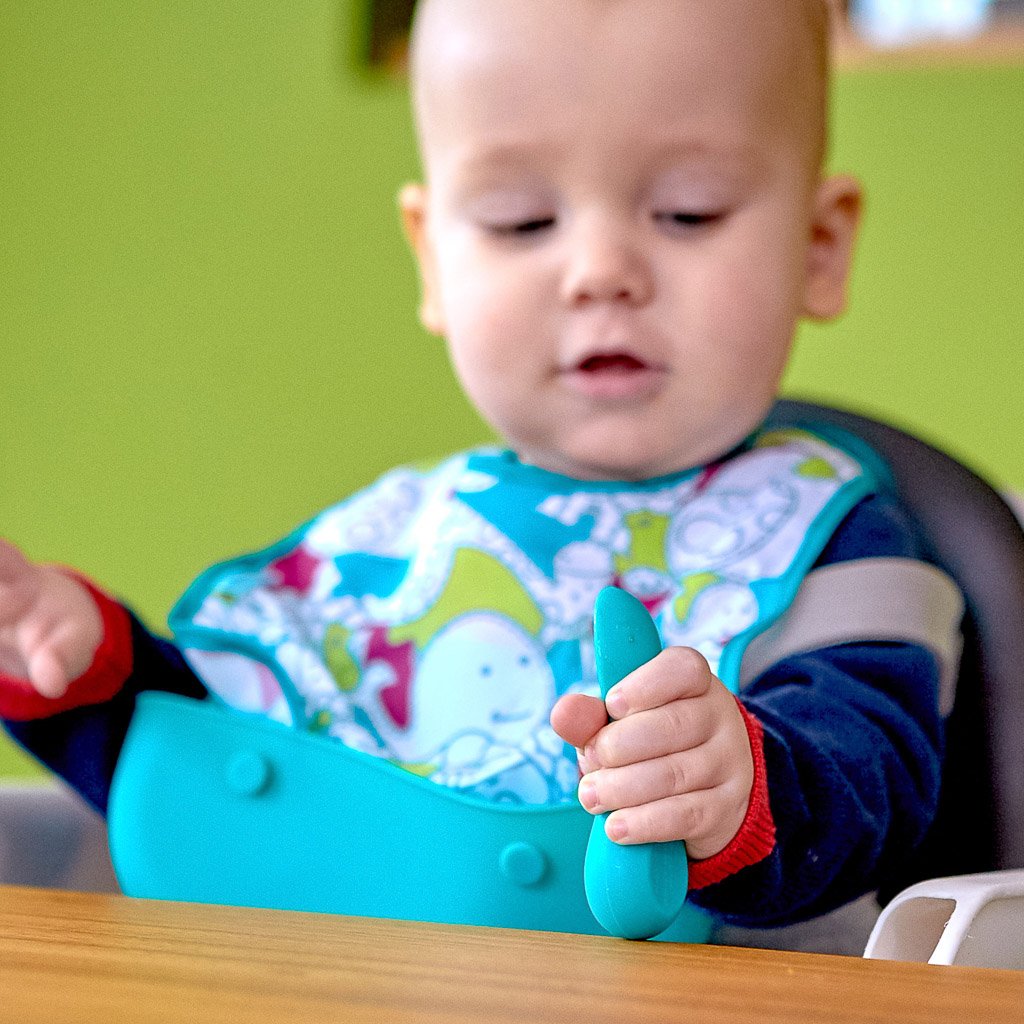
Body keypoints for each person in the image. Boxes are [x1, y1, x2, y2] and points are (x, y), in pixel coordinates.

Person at [0, 0, 960, 951]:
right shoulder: (397, 547)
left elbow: (878, 782)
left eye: (686, 211)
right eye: (521, 219)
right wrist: (80, 675)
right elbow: (234, 784)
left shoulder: (827, 535)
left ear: (819, 247)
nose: (600, 269)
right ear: (432, 260)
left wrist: (737, 787)